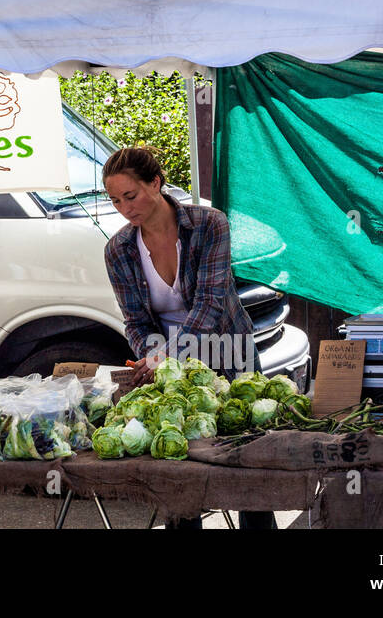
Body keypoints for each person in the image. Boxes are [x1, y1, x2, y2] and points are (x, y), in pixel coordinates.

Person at [102, 146, 275, 530]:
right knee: (178, 465)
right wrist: (153, 356)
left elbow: (212, 303)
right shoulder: (118, 250)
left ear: (156, 183)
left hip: (230, 350)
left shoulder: (210, 224)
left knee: (248, 464)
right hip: (169, 363)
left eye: (130, 195)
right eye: (115, 200)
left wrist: (166, 358)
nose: (124, 208)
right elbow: (135, 320)